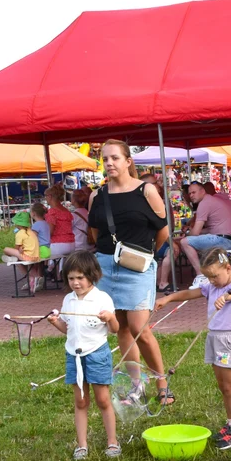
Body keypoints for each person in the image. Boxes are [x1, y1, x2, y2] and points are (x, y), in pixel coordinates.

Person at [86, 139, 174, 406]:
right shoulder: (96, 196)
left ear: (128, 161)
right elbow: (94, 232)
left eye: (115, 158)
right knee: (121, 327)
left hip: (137, 267)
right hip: (104, 267)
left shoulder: (146, 191)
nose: (110, 163)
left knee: (139, 328)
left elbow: (163, 231)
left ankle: (161, 382)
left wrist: (146, 256)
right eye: (105, 159)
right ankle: (136, 386)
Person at [156, 248, 231, 449]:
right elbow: (189, 293)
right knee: (222, 386)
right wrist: (167, 299)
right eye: (208, 277)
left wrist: (227, 297)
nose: (212, 280)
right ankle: (230, 425)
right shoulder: (211, 286)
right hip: (214, 338)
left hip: (229, 341)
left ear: (228, 268)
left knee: (230, 387)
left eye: (215, 276)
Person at [47, 251, 119, 461]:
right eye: (71, 278)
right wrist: (55, 322)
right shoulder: (68, 300)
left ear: (92, 275)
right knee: (80, 401)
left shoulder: (102, 298)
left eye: (80, 277)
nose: (75, 283)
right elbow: (67, 328)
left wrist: (110, 317)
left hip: (97, 354)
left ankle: (112, 441)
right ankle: (82, 445)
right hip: (74, 355)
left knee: (103, 399)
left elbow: (115, 329)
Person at [179, 181, 231, 276]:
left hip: (222, 241)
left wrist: (187, 231)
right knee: (192, 241)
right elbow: (211, 229)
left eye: (194, 192)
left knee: (185, 242)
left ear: (203, 191)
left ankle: (200, 275)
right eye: (189, 193)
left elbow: (195, 233)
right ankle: (211, 271)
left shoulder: (204, 203)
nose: (191, 195)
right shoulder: (217, 200)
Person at [45, 184, 77, 259]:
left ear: (50, 196)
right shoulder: (66, 211)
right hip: (71, 243)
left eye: (45, 196)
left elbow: (50, 232)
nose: (45, 198)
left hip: (58, 245)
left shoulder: (52, 211)